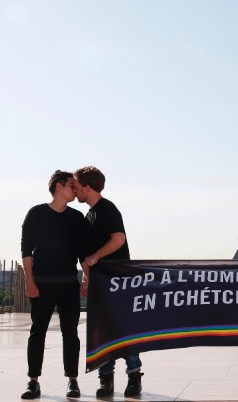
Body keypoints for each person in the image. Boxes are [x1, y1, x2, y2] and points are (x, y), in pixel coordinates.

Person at [74, 166, 144, 398]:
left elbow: (118, 239)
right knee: (103, 331)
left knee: (121, 328)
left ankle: (133, 375)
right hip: (101, 282)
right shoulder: (89, 215)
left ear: (87, 187)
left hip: (117, 280)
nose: (75, 191)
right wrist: (87, 278)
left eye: (76, 186)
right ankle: (107, 378)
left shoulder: (107, 208)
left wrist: (94, 259)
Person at [20, 170, 89, 399]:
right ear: (59, 186)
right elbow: (26, 250)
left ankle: (72, 380)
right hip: (41, 284)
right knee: (37, 333)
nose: (75, 190)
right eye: (72, 185)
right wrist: (29, 280)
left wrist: (87, 278)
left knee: (71, 334)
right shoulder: (36, 213)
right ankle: (33, 382)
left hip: (69, 284)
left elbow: (82, 253)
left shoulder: (76, 218)